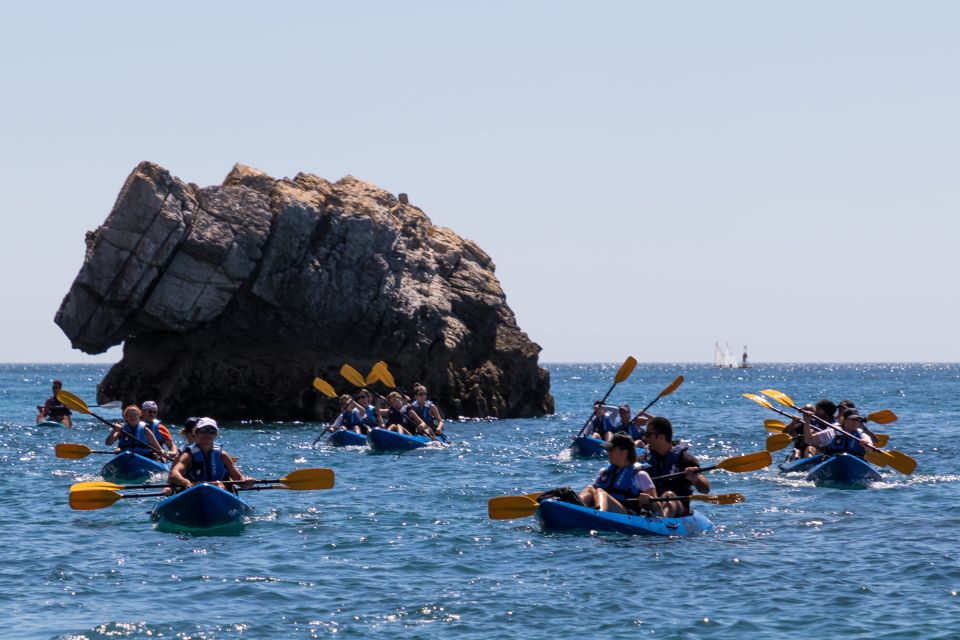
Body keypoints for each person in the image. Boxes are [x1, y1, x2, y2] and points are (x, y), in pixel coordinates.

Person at [640, 416, 710, 518]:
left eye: (648, 434)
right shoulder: (645, 460)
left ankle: (661, 520)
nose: (645, 438)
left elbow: (705, 489)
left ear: (661, 437)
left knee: (669, 496)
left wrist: (695, 479)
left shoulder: (686, 460)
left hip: (678, 509)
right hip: (652, 505)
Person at [165, 418, 251, 494]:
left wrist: (247, 481)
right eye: (203, 430)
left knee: (218, 484)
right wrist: (184, 481)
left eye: (211, 431)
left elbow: (239, 479)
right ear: (196, 433)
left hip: (220, 492)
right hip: (195, 492)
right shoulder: (188, 455)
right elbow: (174, 474)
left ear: (215, 435)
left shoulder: (223, 455)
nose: (207, 434)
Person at [578, 432, 656, 514]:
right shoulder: (603, 472)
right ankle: (575, 505)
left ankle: (599, 514)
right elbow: (593, 492)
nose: (608, 452)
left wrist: (649, 500)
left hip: (626, 515)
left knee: (600, 492)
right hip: (606, 511)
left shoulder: (640, 475)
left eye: (611, 449)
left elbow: (657, 508)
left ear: (624, 452)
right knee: (589, 488)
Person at [803, 406, 873, 458]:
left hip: (855, 463)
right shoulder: (832, 431)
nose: (855, 422)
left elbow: (870, 447)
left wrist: (866, 444)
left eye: (857, 420)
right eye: (852, 419)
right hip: (833, 461)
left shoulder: (862, 434)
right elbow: (809, 440)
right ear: (844, 420)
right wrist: (807, 422)